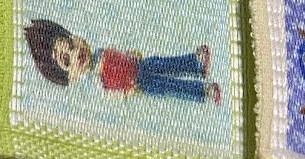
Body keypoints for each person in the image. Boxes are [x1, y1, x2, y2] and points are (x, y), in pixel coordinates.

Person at [23, 18, 220, 105]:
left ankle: (195, 63)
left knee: (165, 63)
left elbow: (118, 56)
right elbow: (110, 93)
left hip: (141, 65)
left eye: (70, 44)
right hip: (140, 84)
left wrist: (129, 55)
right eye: (66, 60)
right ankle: (203, 92)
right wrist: (127, 91)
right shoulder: (97, 80)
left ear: (74, 36)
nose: (75, 53)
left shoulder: (101, 52)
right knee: (170, 86)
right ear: (69, 77)